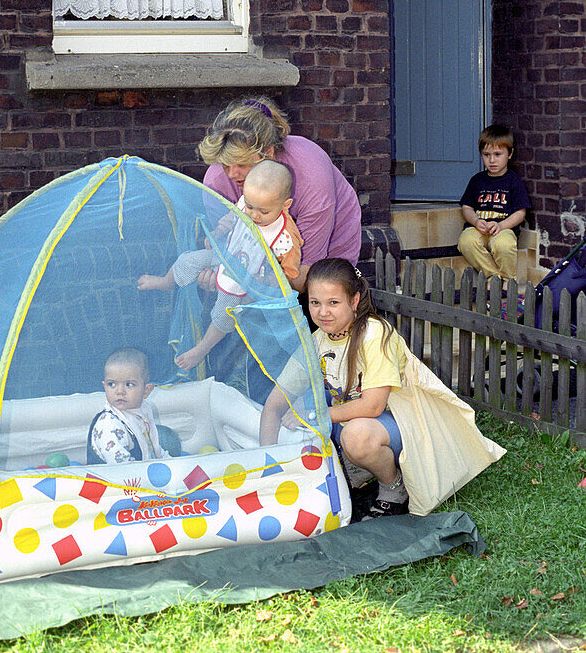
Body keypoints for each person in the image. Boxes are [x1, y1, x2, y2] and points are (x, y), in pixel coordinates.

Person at [259, 258, 505, 518]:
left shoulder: (374, 334)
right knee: (304, 433)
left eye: (333, 302)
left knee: (355, 436)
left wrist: (310, 414)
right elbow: (274, 404)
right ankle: (360, 469)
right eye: (315, 303)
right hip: (364, 424)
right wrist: (269, 467)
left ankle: (393, 489)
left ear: (354, 301)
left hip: (404, 423)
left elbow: (373, 406)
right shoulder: (316, 341)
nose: (322, 312)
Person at [138, 161, 303, 368]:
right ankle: (166, 281)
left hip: (247, 281)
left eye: (263, 211)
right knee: (188, 260)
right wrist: (217, 233)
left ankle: (201, 349)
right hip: (226, 256)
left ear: (285, 205)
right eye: (250, 207)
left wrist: (266, 281)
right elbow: (231, 217)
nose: (253, 215)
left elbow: (289, 271)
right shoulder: (247, 204)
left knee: (224, 313)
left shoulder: (285, 236)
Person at [199, 96, 361, 295]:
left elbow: (305, 273)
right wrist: (216, 275)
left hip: (327, 252)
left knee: (321, 296)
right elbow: (230, 248)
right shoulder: (216, 183)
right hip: (257, 260)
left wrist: (261, 284)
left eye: (242, 163)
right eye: (226, 164)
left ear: (268, 152)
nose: (232, 174)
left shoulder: (312, 176)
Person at [458, 124, 531, 282]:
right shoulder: (477, 181)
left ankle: (507, 279)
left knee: (504, 245)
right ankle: (492, 276)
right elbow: (467, 207)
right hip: (478, 228)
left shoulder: (514, 182)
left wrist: (501, 225)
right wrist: (476, 221)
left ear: (510, 154)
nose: (492, 160)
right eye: (486, 155)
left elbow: (520, 213)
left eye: (498, 154)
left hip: (503, 228)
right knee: (466, 242)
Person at [87, 348, 169, 465]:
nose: (120, 391)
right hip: (113, 481)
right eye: (112, 384)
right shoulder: (109, 424)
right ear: (104, 386)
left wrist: (172, 463)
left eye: (129, 384)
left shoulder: (140, 413)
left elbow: (153, 448)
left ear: (146, 391)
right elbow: (121, 466)